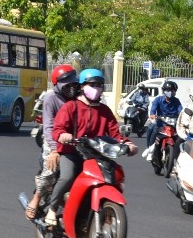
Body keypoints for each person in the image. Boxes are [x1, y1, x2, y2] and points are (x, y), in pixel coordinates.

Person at [45, 68, 138, 226]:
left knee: (114, 176)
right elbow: (57, 129)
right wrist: (63, 135)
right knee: (67, 176)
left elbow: (115, 133)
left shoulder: (104, 111)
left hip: (96, 155)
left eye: (99, 85)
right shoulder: (71, 107)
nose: (96, 88)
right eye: (92, 85)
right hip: (71, 152)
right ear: (82, 86)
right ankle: (52, 209)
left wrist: (128, 144)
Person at [24, 64, 79, 221]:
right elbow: (48, 127)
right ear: (57, 84)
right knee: (52, 167)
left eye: (73, 82)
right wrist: (55, 150)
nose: (71, 87)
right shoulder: (51, 98)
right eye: (66, 83)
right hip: (54, 140)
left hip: (76, 140)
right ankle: (36, 198)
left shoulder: (79, 97)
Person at [145, 80, 183, 159]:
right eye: (168, 90)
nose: (170, 92)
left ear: (175, 92)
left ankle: (179, 155)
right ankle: (149, 149)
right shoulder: (158, 99)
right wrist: (153, 116)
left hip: (173, 124)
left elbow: (181, 111)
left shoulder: (176, 101)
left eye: (172, 91)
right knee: (151, 129)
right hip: (160, 123)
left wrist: (184, 116)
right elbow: (153, 110)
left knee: (182, 136)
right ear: (164, 91)